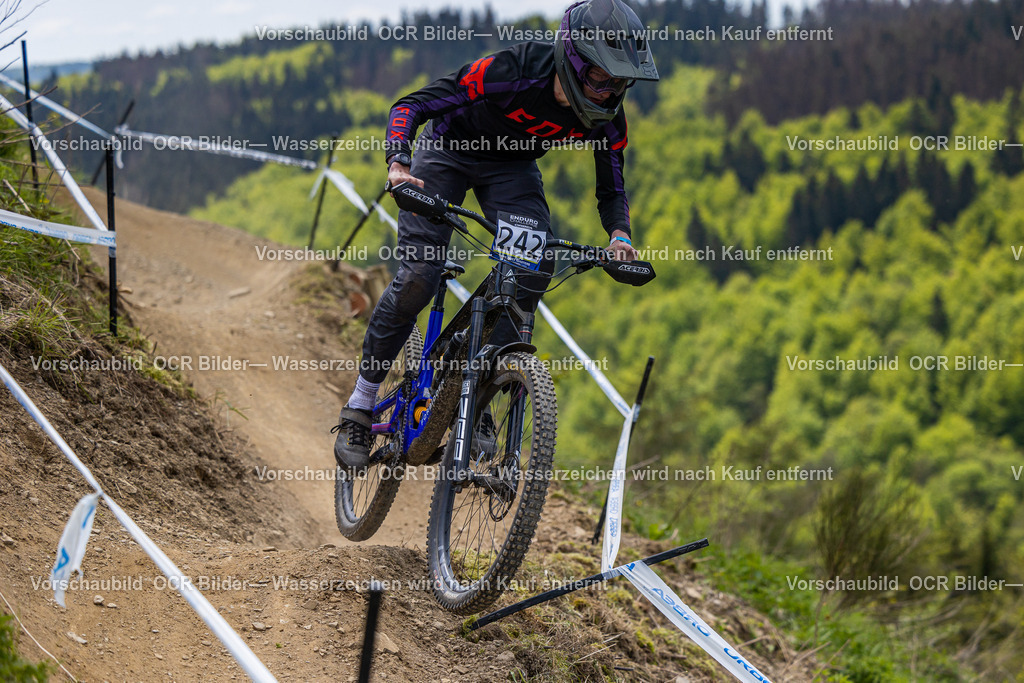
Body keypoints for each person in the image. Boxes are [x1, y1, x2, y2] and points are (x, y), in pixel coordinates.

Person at [333, 0, 659, 468]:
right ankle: (360, 407)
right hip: (447, 150)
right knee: (420, 276)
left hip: (510, 170)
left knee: (533, 266)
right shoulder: (514, 70)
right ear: (572, 58)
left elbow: (612, 187)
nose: (609, 94)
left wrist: (620, 237)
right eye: (601, 80)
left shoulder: (609, 118)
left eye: (621, 84)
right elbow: (412, 104)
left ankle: (474, 393)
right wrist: (399, 163)